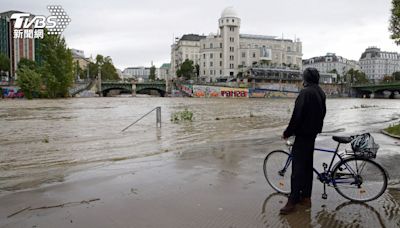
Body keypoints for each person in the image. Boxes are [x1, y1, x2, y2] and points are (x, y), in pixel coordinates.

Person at [280, 67, 326, 215]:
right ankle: (306, 197)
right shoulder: (320, 92)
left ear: (305, 79)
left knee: (297, 170)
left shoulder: (305, 93)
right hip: (312, 134)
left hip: (302, 135)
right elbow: (323, 112)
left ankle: (292, 200)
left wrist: (287, 132)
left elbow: (297, 115)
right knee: (307, 167)